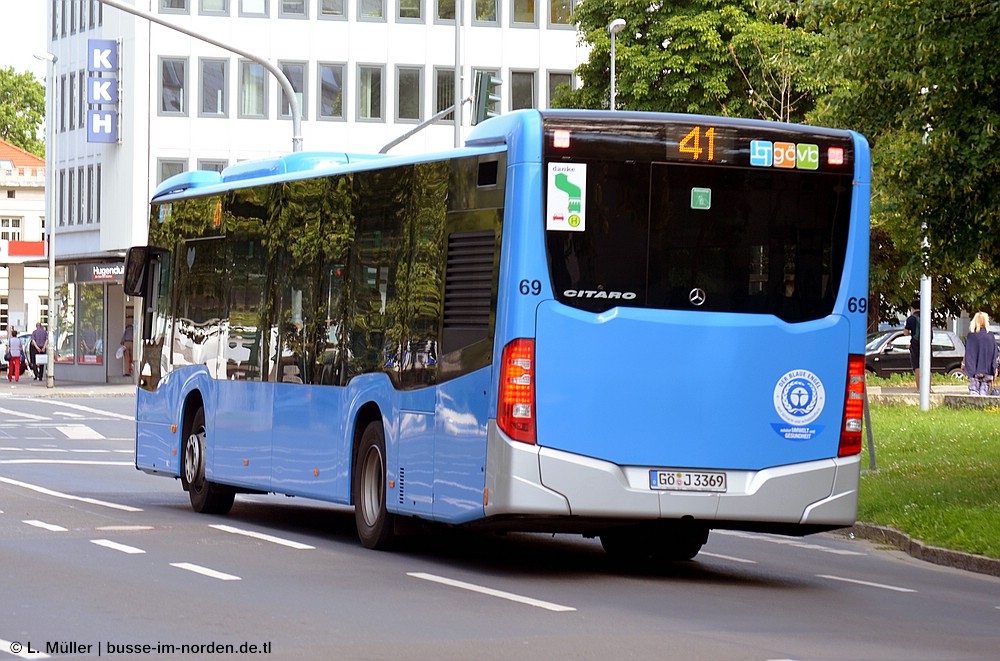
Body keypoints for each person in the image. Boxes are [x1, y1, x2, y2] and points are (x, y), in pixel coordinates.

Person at [962, 312, 998, 396]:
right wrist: (995, 368)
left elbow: (968, 352)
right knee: (984, 393)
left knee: (974, 392)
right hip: (987, 370)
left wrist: (963, 363)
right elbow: (994, 353)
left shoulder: (971, 335)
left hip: (973, 370)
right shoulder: (990, 336)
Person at [903, 299, 922, 387]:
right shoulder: (926, 316)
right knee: (927, 365)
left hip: (915, 343)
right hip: (926, 343)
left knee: (917, 366)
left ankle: (919, 388)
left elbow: (905, 333)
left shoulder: (911, 319)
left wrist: (912, 332)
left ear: (912, 308)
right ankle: (929, 388)